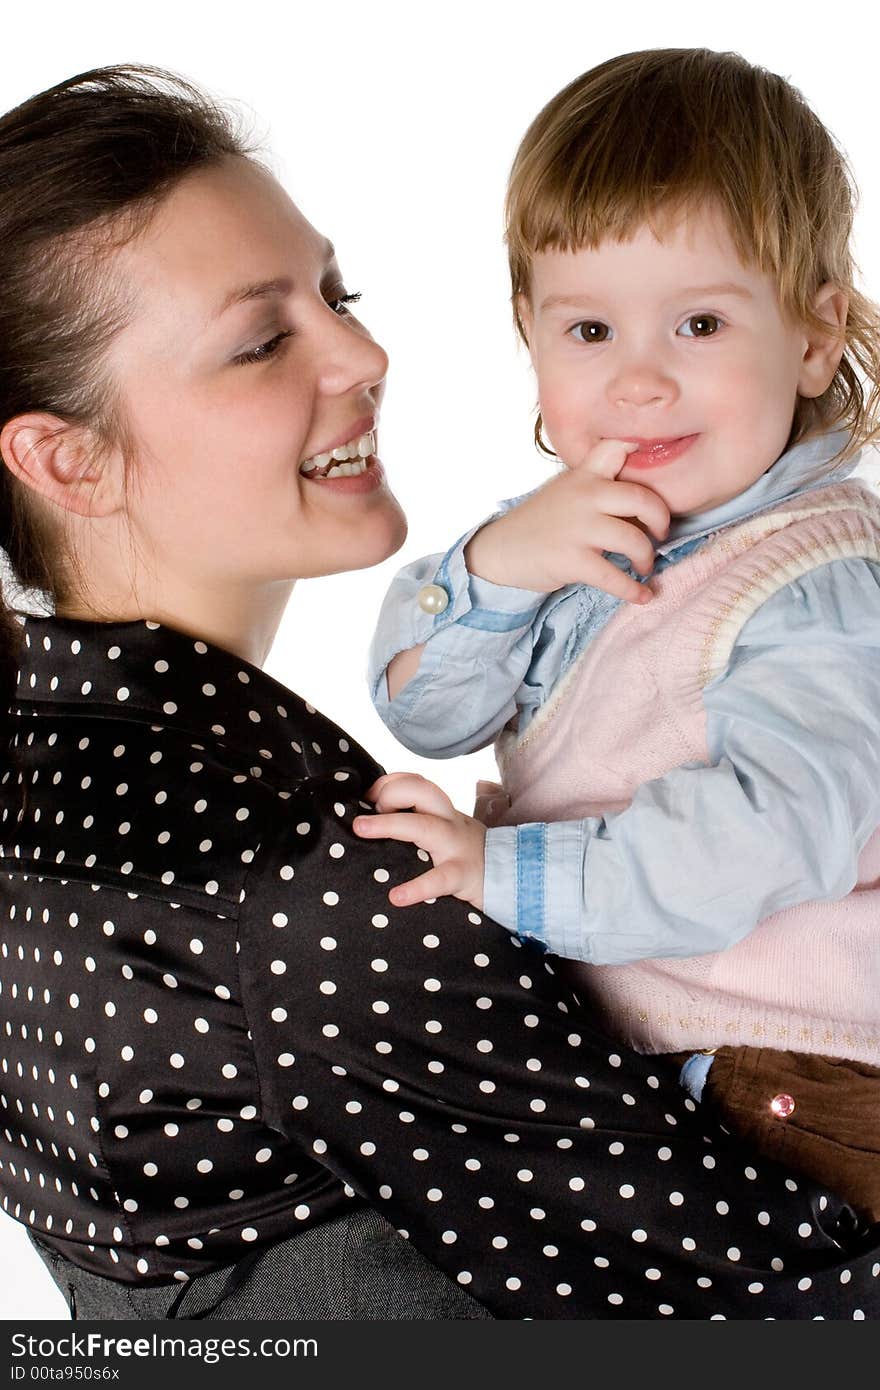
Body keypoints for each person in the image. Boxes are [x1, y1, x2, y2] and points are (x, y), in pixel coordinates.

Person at [0, 64, 876, 1325]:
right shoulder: (301, 886)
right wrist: (489, 578)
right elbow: (778, 1308)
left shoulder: (69, 781)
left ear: (812, 329)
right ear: (64, 459)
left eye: (338, 294)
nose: (365, 351)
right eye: (262, 339)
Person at [365, 48, 880, 1228]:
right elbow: (423, 709)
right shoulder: (564, 538)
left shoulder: (816, 582)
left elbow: (766, 834)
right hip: (669, 1060)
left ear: (811, 335)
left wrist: (506, 875)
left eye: (698, 322)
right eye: (589, 330)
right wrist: (496, 570)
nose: (640, 382)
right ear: (528, 338)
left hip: (791, 1080)